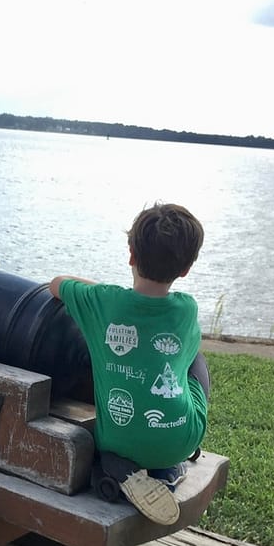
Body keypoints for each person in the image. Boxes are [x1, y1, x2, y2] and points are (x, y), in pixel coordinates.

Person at [49, 202, 210, 525]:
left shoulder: (102, 302)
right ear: (186, 269)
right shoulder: (186, 309)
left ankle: (118, 463)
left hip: (118, 440)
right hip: (181, 438)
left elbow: (57, 283)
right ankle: (165, 466)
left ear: (131, 255)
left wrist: (103, 291)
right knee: (195, 357)